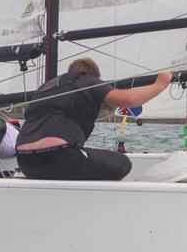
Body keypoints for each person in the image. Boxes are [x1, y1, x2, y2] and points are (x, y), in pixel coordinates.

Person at [15, 58, 173, 180]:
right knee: (122, 163)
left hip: (25, 162)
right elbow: (129, 99)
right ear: (94, 76)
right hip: (59, 156)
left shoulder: (44, 88)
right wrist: (160, 84)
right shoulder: (86, 81)